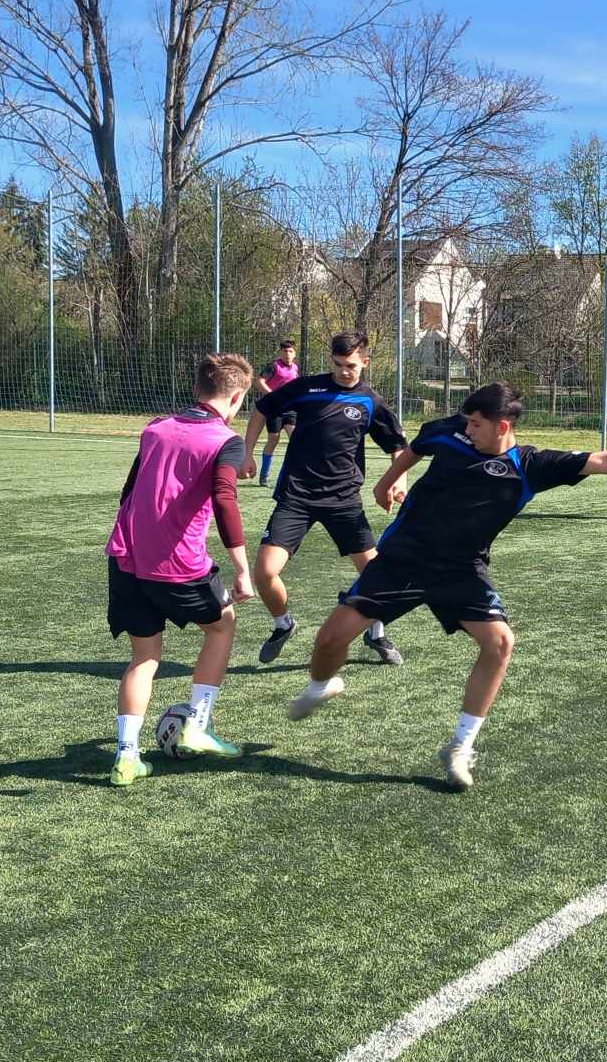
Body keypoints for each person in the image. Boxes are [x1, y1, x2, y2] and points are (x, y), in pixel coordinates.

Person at [287, 382, 607, 791]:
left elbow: (601, 460)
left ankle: (460, 746)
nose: (468, 428)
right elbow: (417, 446)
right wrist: (387, 481)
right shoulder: (451, 431)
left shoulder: (529, 465)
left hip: (462, 569)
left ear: (502, 426)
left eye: (476, 423)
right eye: (468, 421)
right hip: (403, 559)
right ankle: (322, 686)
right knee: (329, 640)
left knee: (500, 643)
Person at [103, 352, 258, 786]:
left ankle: (126, 758)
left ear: (195, 389)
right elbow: (225, 499)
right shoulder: (226, 440)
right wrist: (242, 570)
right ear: (237, 398)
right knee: (223, 625)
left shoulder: (155, 428)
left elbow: (129, 490)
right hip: (178, 563)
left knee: (144, 658)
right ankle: (198, 725)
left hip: (126, 557)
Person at [242, 330, 409, 668]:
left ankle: (375, 631)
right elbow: (261, 409)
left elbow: (397, 444)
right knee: (264, 572)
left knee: (377, 575)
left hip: (343, 500)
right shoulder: (306, 388)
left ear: (365, 362)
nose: (343, 371)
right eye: (337, 364)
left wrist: (398, 481)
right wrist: (246, 453)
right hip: (296, 496)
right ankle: (283, 624)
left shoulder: (370, 401)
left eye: (351, 365)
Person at [251, 340, 302, 485]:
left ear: (295, 353)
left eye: (290, 351)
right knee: (273, 439)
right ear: (280, 352)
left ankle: (292, 475)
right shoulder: (273, 366)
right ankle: (264, 476)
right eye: (285, 351)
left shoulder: (295, 368)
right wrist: (273, 395)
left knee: (296, 439)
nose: (288, 354)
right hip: (275, 408)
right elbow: (259, 381)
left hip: (290, 409)